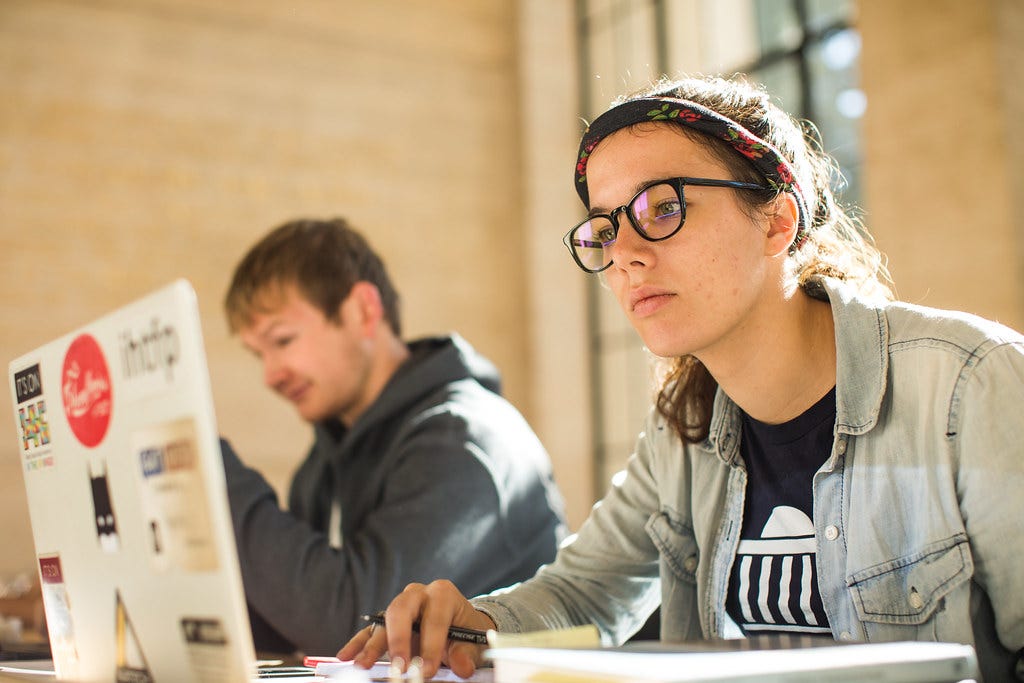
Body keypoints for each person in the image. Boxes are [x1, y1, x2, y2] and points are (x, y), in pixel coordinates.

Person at [338, 75, 1024, 682]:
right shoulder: (683, 425)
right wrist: (470, 623)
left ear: (778, 221)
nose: (626, 255)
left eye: (662, 208)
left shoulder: (972, 384)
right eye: (605, 229)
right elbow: (586, 595)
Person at [219, 217, 567, 655]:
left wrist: (213, 474)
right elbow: (295, 624)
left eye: (283, 340)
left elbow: (358, 631)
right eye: (258, 354)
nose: (270, 375)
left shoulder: (465, 441)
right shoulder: (321, 465)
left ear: (363, 310)